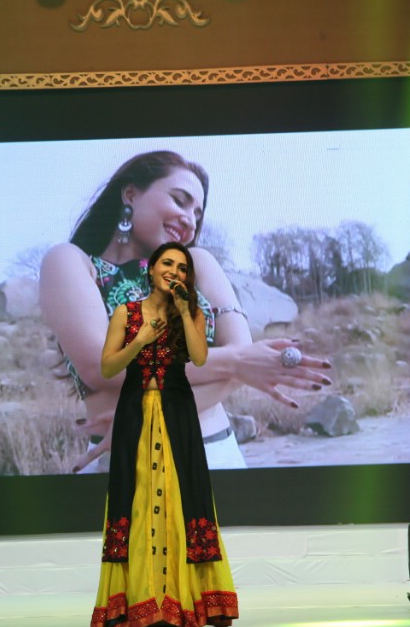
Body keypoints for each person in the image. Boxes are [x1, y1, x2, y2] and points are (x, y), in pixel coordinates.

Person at [40, 151, 332, 474]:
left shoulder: (199, 264)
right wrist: (233, 362)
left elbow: (248, 363)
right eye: (180, 201)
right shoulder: (70, 262)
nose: (190, 221)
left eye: (197, 213)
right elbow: (102, 366)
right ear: (130, 194)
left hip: (216, 456)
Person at [90, 241, 236, 627]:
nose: (175, 271)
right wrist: (138, 341)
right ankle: (139, 600)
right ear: (151, 269)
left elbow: (200, 357)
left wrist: (187, 310)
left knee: (183, 496)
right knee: (133, 496)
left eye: (183, 268)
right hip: (135, 411)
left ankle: (184, 599)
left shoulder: (192, 313)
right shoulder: (126, 312)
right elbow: (106, 368)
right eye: (167, 264)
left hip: (176, 412)